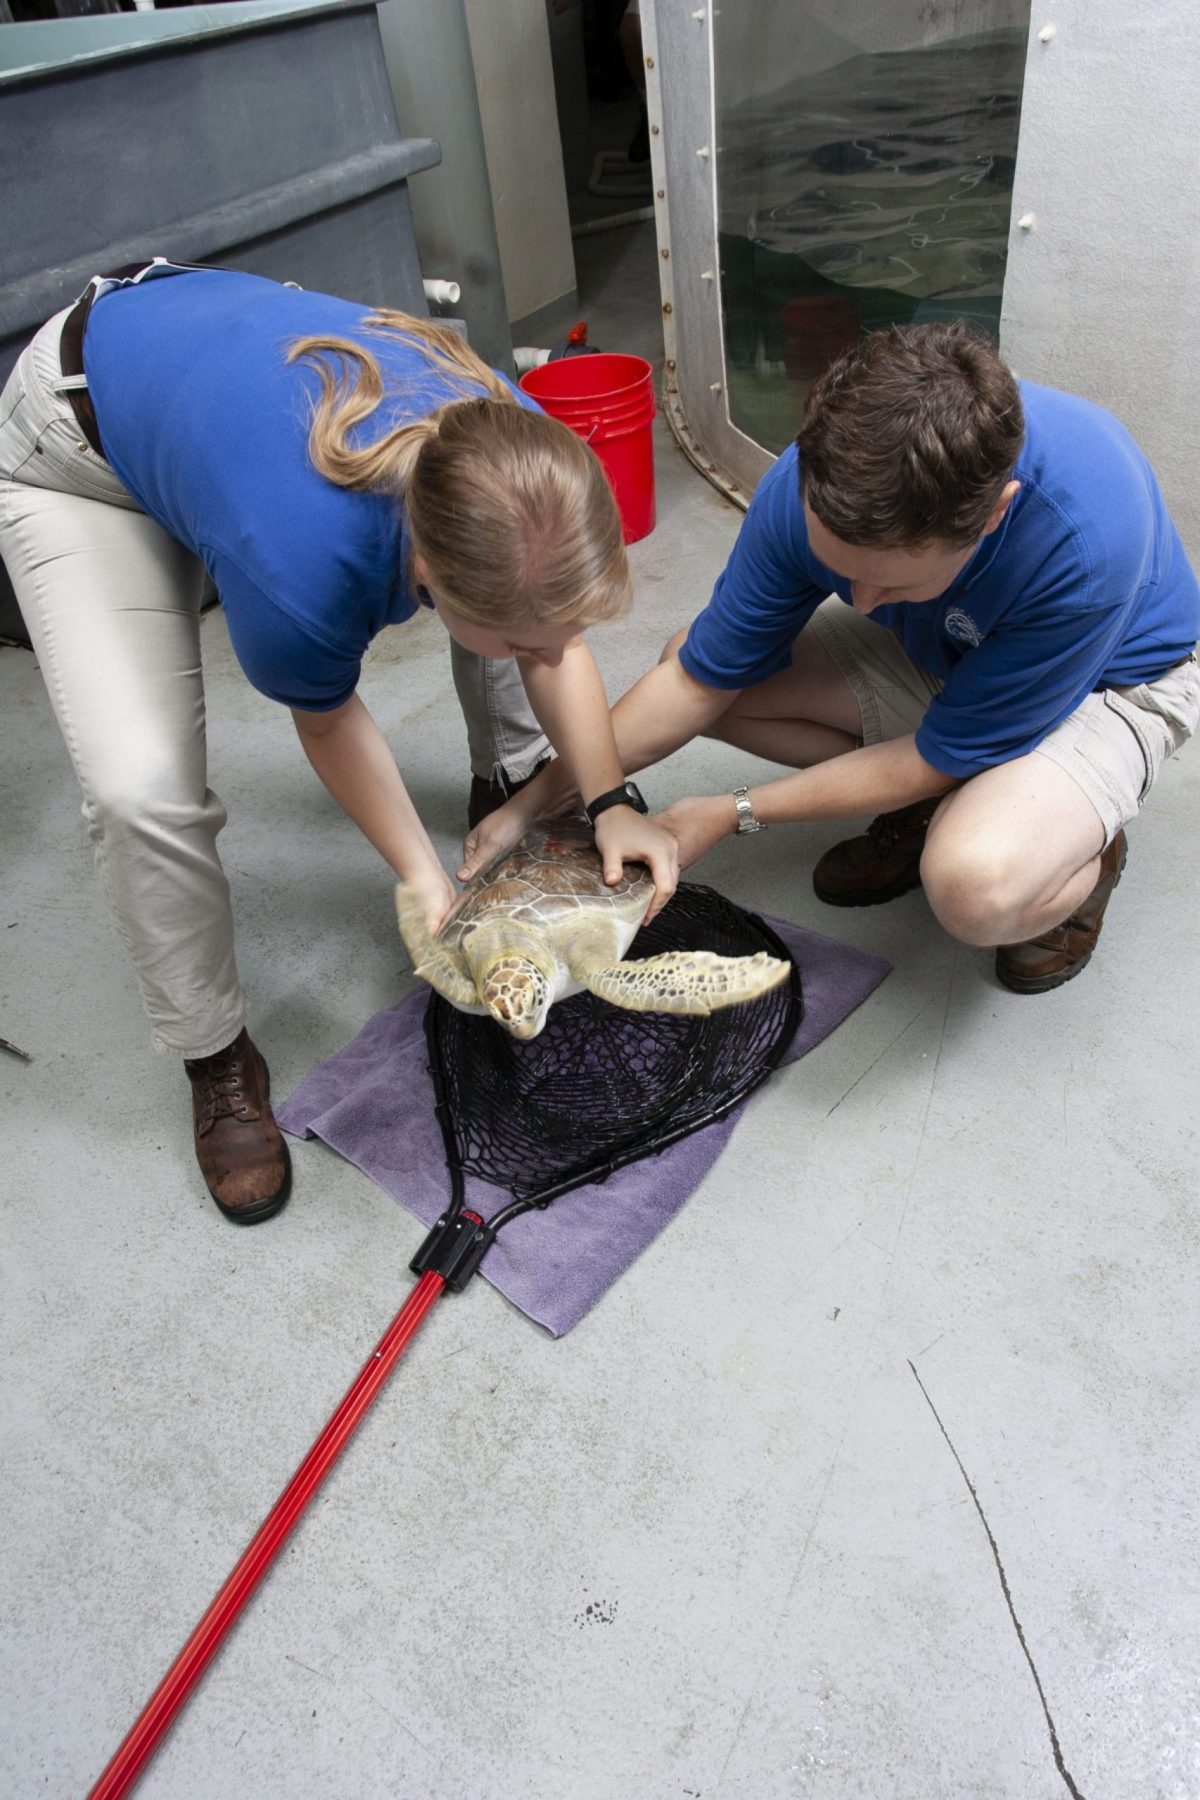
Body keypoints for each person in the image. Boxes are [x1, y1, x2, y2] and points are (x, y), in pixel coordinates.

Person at [0, 261, 677, 1225]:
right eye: (526, 646)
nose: (550, 654)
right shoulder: (306, 569)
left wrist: (603, 797)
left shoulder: (517, 446)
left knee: (527, 612)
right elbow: (328, 717)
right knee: (139, 788)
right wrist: (425, 881)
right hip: (78, 441)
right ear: (424, 574)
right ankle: (215, 1053)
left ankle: (519, 782)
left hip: (207, 386)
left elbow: (548, 635)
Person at [463, 322, 1200, 995]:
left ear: (995, 513)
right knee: (698, 660)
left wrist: (734, 811)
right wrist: (537, 801)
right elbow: (698, 679)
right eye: (841, 572)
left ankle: (1082, 860)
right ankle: (936, 804)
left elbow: (941, 752)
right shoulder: (810, 482)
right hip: (956, 646)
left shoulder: (1084, 540)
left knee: (974, 882)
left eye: (894, 579)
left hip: (1114, 683)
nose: (867, 604)